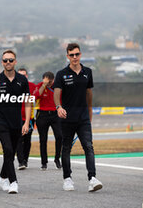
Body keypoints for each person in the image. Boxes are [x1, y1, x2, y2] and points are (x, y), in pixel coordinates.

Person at [54, 43, 102, 192]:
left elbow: (89, 93)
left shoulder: (88, 72)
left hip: (83, 118)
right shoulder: (61, 74)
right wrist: (58, 107)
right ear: (67, 56)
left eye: (77, 54)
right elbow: (56, 93)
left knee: (89, 147)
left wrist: (90, 113)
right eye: (72, 55)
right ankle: (67, 178)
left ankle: (92, 178)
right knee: (66, 148)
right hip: (67, 118)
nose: (75, 57)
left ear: (80, 54)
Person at [0, 50, 32, 194]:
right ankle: (14, 182)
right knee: (8, 149)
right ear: (2, 62)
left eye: (10, 60)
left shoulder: (22, 80)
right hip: (1, 122)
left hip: (17, 122)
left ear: (15, 62)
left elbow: (27, 102)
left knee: (10, 153)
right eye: (5, 60)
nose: (8, 63)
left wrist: (26, 123)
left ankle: (2, 177)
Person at [34, 71, 62, 170]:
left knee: (59, 136)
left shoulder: (58, 86)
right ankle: (44, 162)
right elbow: (36, 96)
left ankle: (57, 158)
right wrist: (44, 85)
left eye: (50, 82)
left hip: (55, 114)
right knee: (43, 139)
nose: (49, 84)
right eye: (47, 81)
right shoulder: (40, 86)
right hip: (42, 114)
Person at [16, 68, 36, 170]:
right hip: (16, 118)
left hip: (29, 118)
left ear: (27, 76)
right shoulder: (14, 85)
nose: (23, 77)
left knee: (27, 140)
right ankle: (20, 161)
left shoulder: (32, 86)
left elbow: (38, 96)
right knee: (18, 139)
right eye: (20, 75)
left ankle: (25, 160)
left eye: (24, 75)